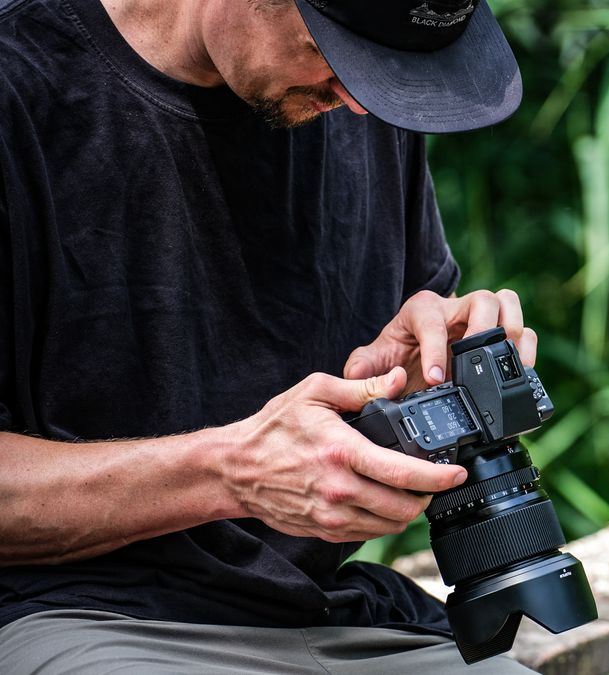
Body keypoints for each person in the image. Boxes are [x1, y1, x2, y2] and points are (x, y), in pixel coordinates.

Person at [0, 0, 538, 671]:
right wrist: (231, 472)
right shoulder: (20, 81)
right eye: (335, 52)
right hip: (79, 615)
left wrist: (428, 382)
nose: (359, 102)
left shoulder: (352, 101)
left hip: (332, 611)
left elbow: (394, 380)